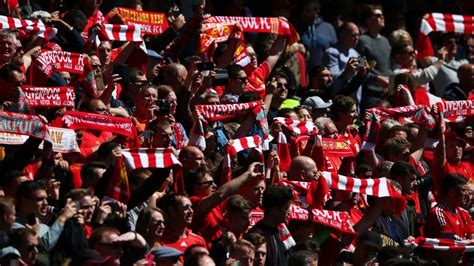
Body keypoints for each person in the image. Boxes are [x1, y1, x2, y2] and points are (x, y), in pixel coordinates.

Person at [249, 185, 294, 266]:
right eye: (286, 208)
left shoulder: (281, 231)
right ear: (275, 210)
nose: (289, 211)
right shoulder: (256, 236)